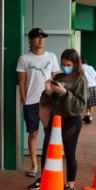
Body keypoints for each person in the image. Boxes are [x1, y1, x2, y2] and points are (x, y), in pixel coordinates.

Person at [36, 49, 89, 190]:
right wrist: (48, 92)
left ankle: (70, 186)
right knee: (47, 150)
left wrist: (65, 93)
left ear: (75, 64)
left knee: (69, 152)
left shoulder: (80, 80)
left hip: (71, 120)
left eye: (68, 64)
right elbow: (47, 102)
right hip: (56, 118)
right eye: (63, 64)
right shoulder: (59, 76)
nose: (65, 66)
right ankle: (45, 178)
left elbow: (80, 105)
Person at [16, 28, 59, 179]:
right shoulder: (24, 59)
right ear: (30, 40)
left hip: (48, 101)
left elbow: (55, 77)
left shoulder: (51, 56)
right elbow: (21, 81)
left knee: (50, 132)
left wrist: (56, 96)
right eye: (37, 37)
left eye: (43, 37)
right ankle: (34, 164)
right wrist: (24, 99)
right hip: (32, 101)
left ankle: (49, 163)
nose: (41, 40)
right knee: (33, 132)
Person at [81, 57, 96, 125]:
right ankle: (90, 117)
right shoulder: (90, 67)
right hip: (92, 86)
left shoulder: (81, 68)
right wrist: (94, 83)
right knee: (91, 103)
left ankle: (88, 114)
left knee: (85, 102)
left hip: (85, 87)